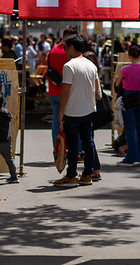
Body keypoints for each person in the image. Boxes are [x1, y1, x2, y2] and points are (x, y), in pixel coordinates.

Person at [53, 34, 100, 187]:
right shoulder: (91, 65)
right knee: (88, 143)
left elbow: (65, 90)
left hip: (72, 110)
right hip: (88, 109)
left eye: (66, 47)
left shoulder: (69, 66)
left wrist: (61, 111)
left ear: (72, 47)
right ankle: (87, 174)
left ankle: (72, 175)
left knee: (72, 145)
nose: (65, 51)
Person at [114, 44, 140, 166]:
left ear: (129, 56)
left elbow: (118, 83)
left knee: (130, 129)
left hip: (128, 100)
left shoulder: (124, 69)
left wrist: (118, 79)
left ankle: (131, 157)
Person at [47, 26, 78, 146]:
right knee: (74, 121)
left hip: (53, 90)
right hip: (67, 91)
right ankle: (76, 149)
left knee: (56, 121)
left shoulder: (53, 50)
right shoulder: (69, 52)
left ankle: (57, 148)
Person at [83, 50, 103, 181]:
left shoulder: (92, 75)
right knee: (89, 140)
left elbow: (98, 94)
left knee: (88, 141)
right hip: (91, 109)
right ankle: (93, 168)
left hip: (89, 110)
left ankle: (94, 169)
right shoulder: (94, 73)